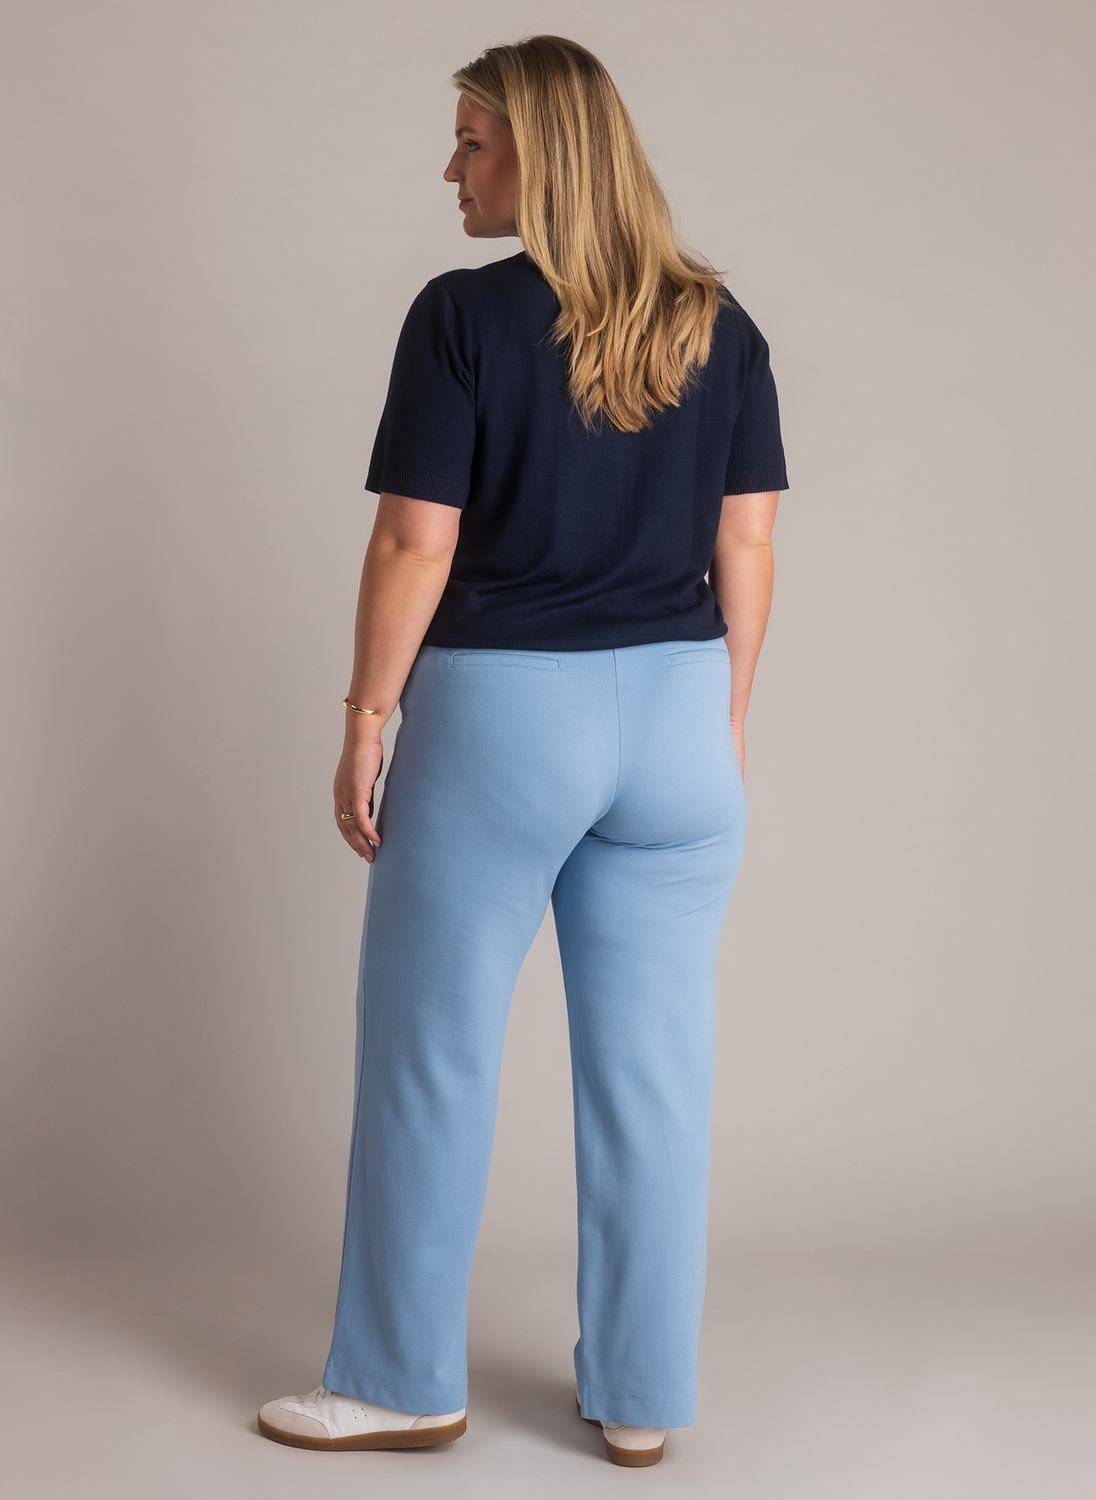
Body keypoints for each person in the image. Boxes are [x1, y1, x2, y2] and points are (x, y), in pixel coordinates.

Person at [258, 34, 789, 1469]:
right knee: (654, 1078)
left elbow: (411, 541)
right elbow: (747, 543)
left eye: (472, 142)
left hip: (503, 721)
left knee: (431, 1053)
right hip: (680, 718)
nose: (453, 169)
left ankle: (398, 1380)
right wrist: (725, 716)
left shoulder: (462, 318)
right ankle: (641, 1397)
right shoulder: (718, 323)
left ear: (540, 155)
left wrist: (366, 717)